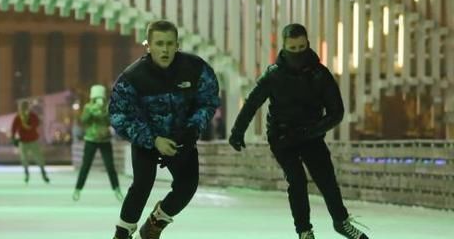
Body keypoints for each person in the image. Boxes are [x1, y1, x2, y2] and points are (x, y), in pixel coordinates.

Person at [228, 23, 370, 239]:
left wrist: (310, 131)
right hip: (282, 137)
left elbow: (336, 112)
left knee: (326, 178)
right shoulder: (273, 75)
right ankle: (304, 231)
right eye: (292, 49)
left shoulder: (320, 75)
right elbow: (252, 102)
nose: (297, 53)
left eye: (301, 47)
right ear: (284, 48)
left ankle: (340, 222)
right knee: (296, 180)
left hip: (311, 136)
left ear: (308, 45)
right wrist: (238, 131)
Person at [109, 20, 220, 239]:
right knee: (142, 184)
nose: (165, 49)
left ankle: (154, 224)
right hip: (147, 139)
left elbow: (208, 100)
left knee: (187, 186)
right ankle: (122, 233)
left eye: (170, 44)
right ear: (148, 45)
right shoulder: (132, 77)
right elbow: (118, 115)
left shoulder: (196, 68)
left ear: (177, 44)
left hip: (182, 138)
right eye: (159, 44)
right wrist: (152, 139)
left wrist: (191, 130)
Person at [72, 84, 122, 202]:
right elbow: (84, 121)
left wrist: (102, 110)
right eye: (96, 97)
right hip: (91, 140)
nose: (98, 99)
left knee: (110, 167)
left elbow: (111, 121)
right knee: (85, 166)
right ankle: (78, 189)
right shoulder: (88, 107)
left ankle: (117, 189)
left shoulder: (108, 108)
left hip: (105, 140)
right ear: (92, 97)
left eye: (100, 97)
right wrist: (91, 111)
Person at [10, 99, 50, 184]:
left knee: (39, 158)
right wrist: (13, 138)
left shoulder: (32, 116)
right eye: (23, 107)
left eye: (25, 106)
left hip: (33, 141)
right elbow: (13, 129)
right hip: (23, 142)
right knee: (24, 159)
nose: (24, 108)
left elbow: (35, 124)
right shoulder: (18, 117)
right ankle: (27, 174)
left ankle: (43, 173)